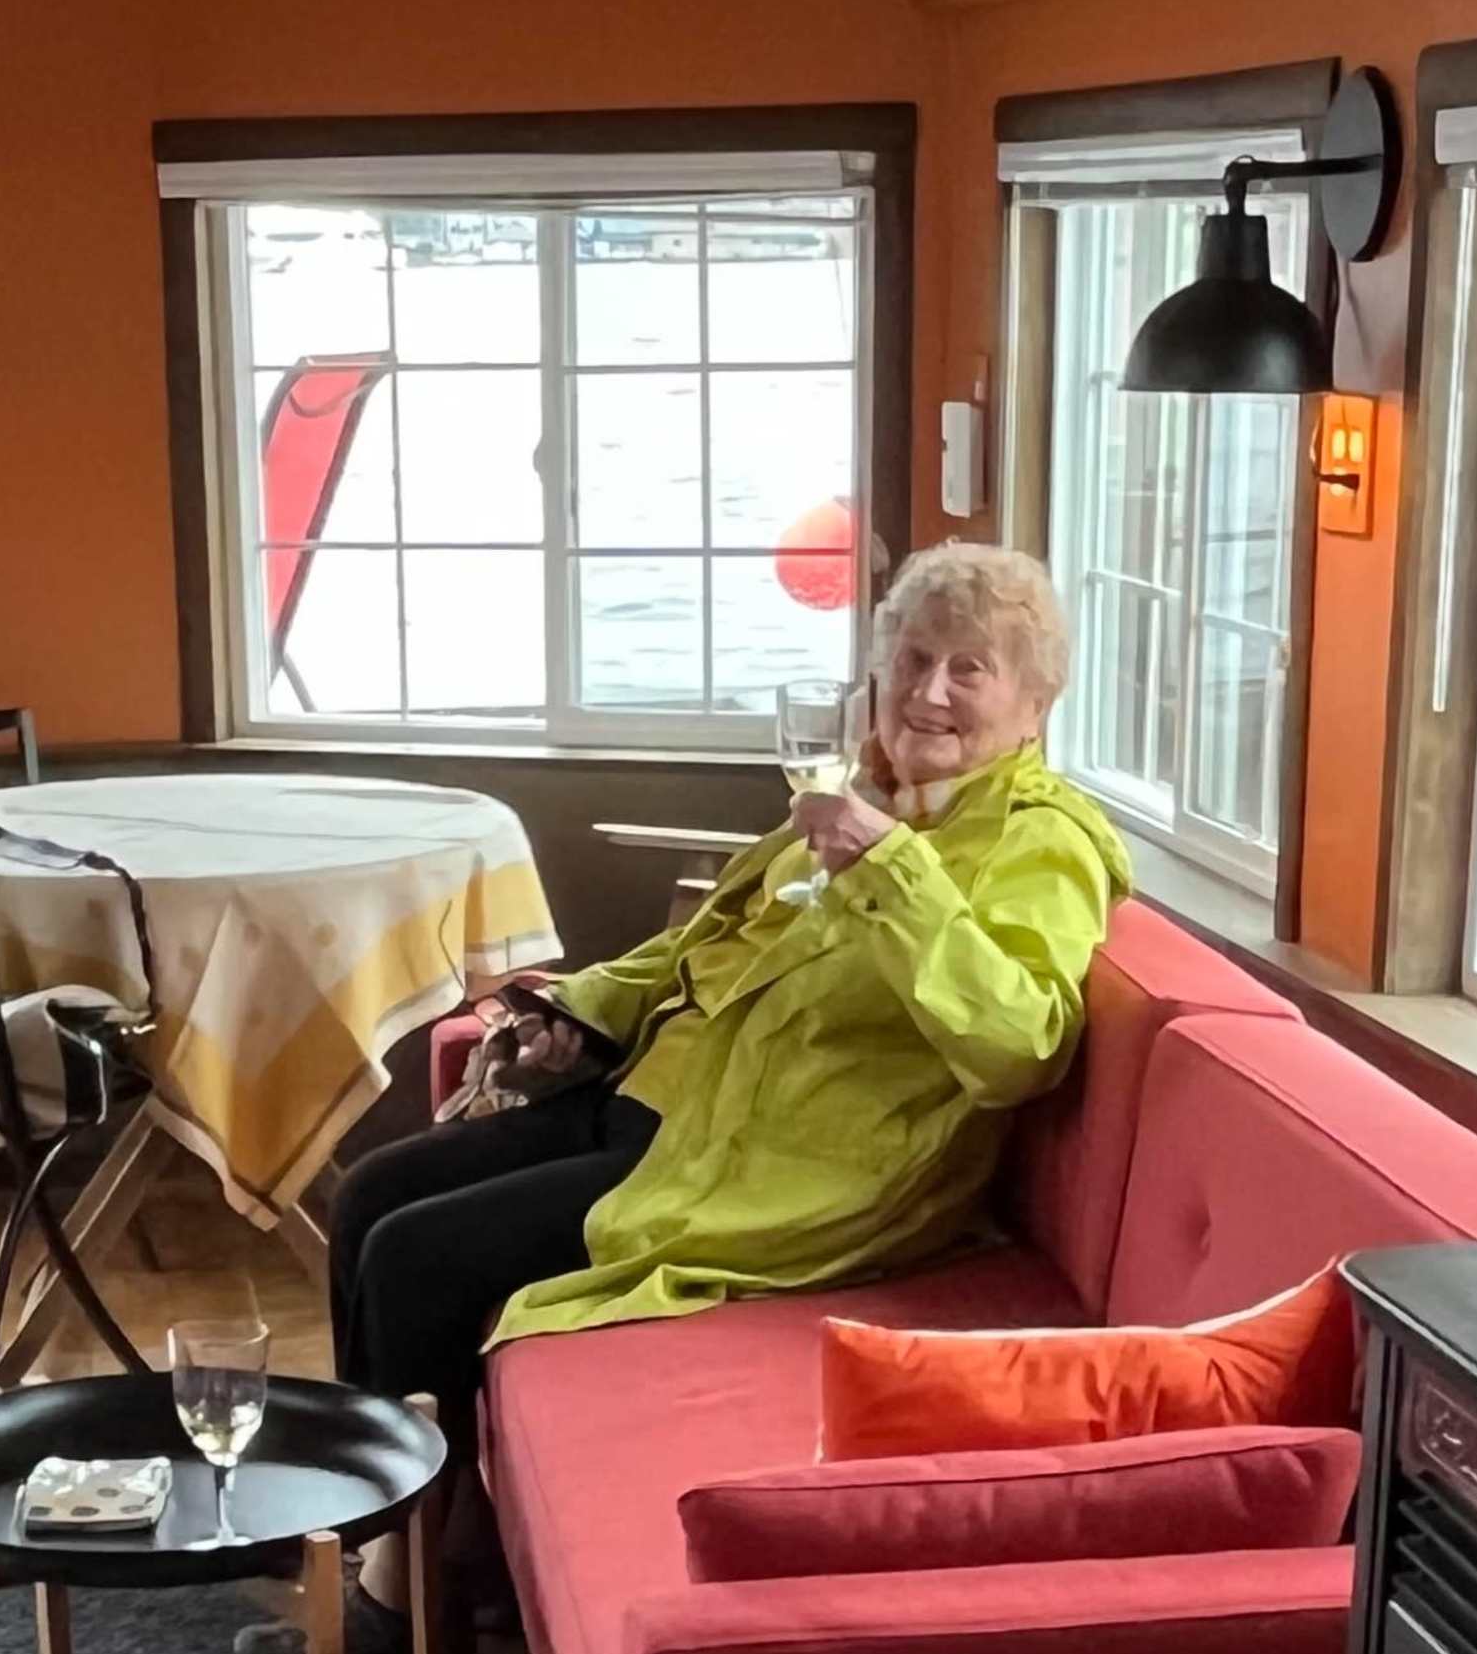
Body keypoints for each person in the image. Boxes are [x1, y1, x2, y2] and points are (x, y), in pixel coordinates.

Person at [323, 541, 1127, 1497]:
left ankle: (402, 1567)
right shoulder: (868, 795)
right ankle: (371, 1535)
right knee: (368, 1196)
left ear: (1036, 704)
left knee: (414, 1258)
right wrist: (582, 1010)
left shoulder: (1041, 844)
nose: (929, 691)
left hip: (779, 1165)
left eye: (970, 669)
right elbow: (704, 946)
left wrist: (891, 872)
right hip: (668, 1107)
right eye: (913, 660)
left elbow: (1020, 1047)